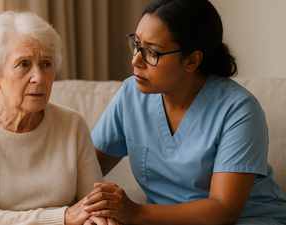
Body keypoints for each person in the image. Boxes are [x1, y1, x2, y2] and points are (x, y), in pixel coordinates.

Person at [84, 0, 286, 224]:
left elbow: (224, 210)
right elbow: (84, 169)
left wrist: (135, 213)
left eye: (151, 52)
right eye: (136, 44)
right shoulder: (130, 95)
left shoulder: (239, 110)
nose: (136, 60)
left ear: (192, 60)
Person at [0, 11, 118, 225]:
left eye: (46, 64)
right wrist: (62, 217)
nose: (39, 77)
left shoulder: (72, 125)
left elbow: (93, 205)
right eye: (24, 64)